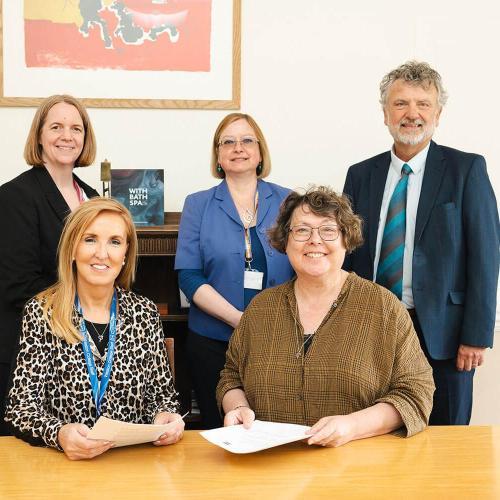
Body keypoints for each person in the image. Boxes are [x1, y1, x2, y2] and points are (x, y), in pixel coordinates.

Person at [343, 61, 499, 425]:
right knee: (377, 434)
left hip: (444, 335)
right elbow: (347, 257)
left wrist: (476, 336)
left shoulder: (467, 170)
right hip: (373, 329)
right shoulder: (361, 175)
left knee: (447, 438)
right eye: (400, 104)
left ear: (438, 113)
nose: (411, 114)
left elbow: (485, 257)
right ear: (385, 113)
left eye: (423, 104)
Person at [217, 187, 434, 447]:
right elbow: (231, 377)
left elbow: (416, 392)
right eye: (302, 230)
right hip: (271, 469)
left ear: (346, 239)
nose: (314, 240)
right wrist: (237, 407)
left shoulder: (383, 307)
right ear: (285, 241)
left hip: (359, 471)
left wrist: (352, 426)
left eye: (328, 230)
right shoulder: (261, 308)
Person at [5, 197, 183, 460]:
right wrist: (59, 434)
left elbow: (163, 397)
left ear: (125, 253)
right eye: (90, 239)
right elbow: (21, 408)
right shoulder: (42, 312)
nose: (102, 253)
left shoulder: (144, 312)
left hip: (131, 465)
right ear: (73, 248)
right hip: (63, 467)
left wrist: (167, 417)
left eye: (114, 241)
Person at [175, 113, 294, 428]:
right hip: (212, 342)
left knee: (272, 429)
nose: (237, 148)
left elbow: (304, 265)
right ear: (218, 155)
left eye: (246, 140)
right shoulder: (198, 204)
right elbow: (188, 276)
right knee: (221, 429)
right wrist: (240, 321)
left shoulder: (288, 201)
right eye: (227, 141)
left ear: (259, 151)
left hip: (279, 338)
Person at [0, 95, 99, 435]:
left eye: (76, 128)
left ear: (85, 138)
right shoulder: (14, 196)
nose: (66, 136)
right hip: (29, 355)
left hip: (79, 356)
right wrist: (84, 312)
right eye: (55, 127)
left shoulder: (93, 198)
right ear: (39, 136)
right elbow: (18, 286)